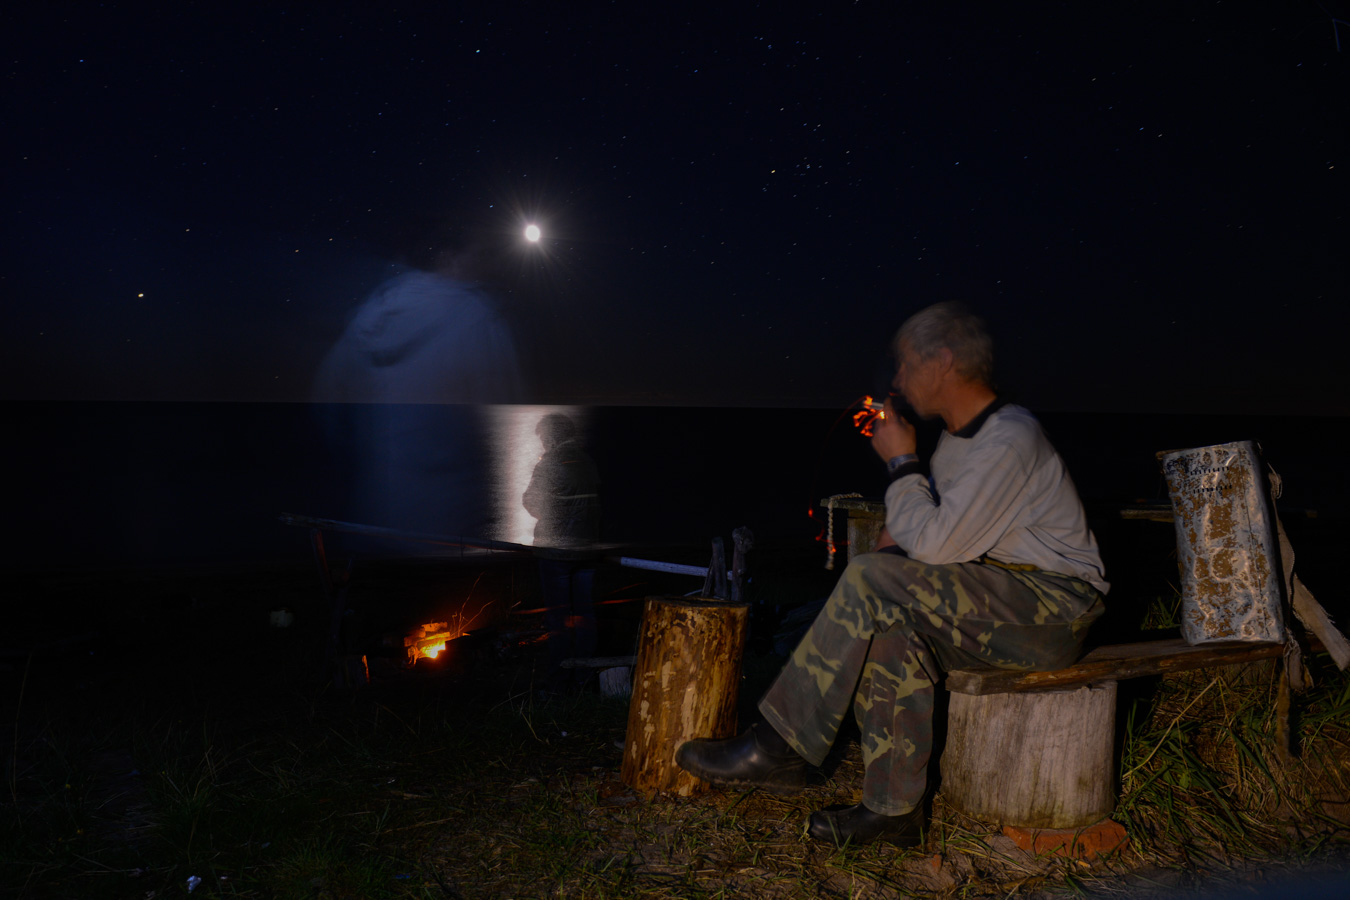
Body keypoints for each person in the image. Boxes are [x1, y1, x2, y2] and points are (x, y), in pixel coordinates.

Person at [676, 302, 1108, 846]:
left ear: (943, 361)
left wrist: (902, 464)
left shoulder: (1010, 436)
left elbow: (938, 542)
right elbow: (919, 537)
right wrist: (886, 553)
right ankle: (893, 813)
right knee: (890, 630)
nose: (898, 380)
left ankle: (778, 746)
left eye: (905, 365)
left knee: (869, 580)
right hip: (993, 604)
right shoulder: (958, 441)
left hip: (1054, 607)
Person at [522, 413, 603, 690]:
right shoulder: (588, 462)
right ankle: (585, 676)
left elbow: (532, 503)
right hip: (587, 550)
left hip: (556, 552)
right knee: (585, 615)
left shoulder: (551, 464)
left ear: (552, 435)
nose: (543, 443)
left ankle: (558, 680)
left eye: (544, 437)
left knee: (558, 618)